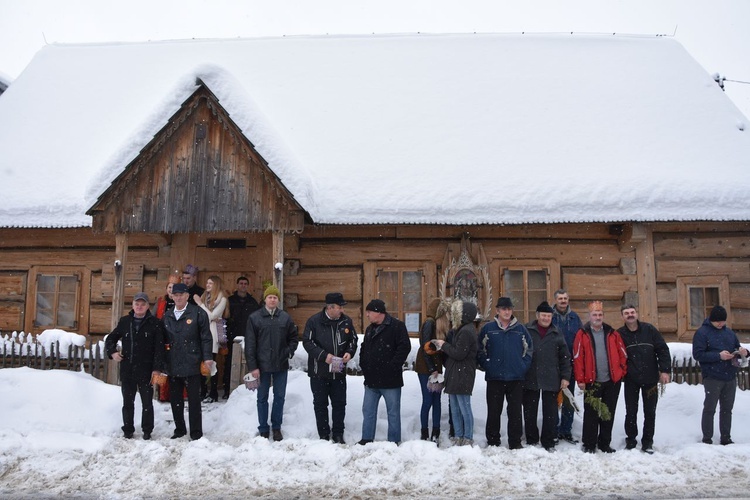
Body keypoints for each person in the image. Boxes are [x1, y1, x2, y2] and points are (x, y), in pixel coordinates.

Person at [105, 292, 164, 440]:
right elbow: (111, 338)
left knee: (147, 402)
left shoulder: (155, 323)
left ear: (147, 306)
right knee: (127, 402)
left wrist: (157, 369)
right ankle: (128, 429)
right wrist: (112, 352)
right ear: (132, 305)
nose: (139, 307)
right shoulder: (125, 321)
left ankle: (147, 430)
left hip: (147, 369)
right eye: (137, 304)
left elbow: (159, 348)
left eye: (142, 304)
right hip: (128, 369)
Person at [302, 292, 358, 444]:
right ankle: (324, 435)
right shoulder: (314, 321)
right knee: (320, 404)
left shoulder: (346, 321)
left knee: (339, 404)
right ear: (330, 307)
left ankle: (338, 434)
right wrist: (323, 356)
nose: (342, 310)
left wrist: (349, 352)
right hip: (319, 372)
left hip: (338, 371)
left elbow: (353, 340)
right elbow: (307, 342)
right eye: (340, 307)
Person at [477, 296, 533, 449]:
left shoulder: (520, 329)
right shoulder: (488, 329)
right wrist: (487, 365)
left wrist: (522, 367)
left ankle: (515, 442)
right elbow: (480, 350)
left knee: (515, 412)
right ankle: (493, 441)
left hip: (516, 378)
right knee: (494, 411)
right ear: (498, 311)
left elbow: (529, 351)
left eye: (509, 309)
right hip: (495, 378)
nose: (507, 312)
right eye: (503, 309)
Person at [244, 285, 299, 441]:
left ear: (278, 300)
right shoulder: (255, 318)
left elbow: (293, 338)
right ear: (265, 299)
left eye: (275, 297)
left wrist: (289, 351)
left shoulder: (285, 318)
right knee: (262, 397)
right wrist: (253, 366)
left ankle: (276, 427)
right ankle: (263, 428)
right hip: (262, 366)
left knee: (279, 397)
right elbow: (250, 344)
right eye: (270, 297)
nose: (273, 300)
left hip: (280, 364)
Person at [572, 301, 627, 453]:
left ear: (603, 316)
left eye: (600, 314)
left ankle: (604, 443)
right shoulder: (582, 334)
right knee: (591, 414)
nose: (597, 317)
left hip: (612, 381)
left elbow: (623, 354)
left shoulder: (612, 333)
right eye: (595, 314)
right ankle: (589, 444)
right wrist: (580, 379)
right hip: (592, 381)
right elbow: (577, 358)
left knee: (608, 413)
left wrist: (621, 372)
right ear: (589, 316)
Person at [162, 283, 214, 440]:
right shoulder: (167, 315)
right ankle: (179, 429)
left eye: (181, 295)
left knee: (194, 399)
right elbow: (163, 340)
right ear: (172, 296)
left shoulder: (198, 313)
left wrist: (207, 357)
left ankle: (196, 432)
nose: (178, 297)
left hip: (192, 360)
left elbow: (206, 337)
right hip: (173, 361)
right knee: (175, 398)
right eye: (175, 295)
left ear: (187, 296)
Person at [617, 304, 671, 454]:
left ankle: (647, 442)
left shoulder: (649, 330)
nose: (630, 315)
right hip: (631, 379)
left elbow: (662, 349)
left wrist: (665, 370)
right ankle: (631, 441)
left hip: (650, 379)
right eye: (626, 313)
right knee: (631, 411)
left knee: (650, 411)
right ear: (622, 317)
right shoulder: (620, 334)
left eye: (632, 312)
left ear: (637, 314)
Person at [692, 305, 748, 446]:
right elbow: (698, 354)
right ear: (711, 319)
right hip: (712, 376)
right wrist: (718, 356)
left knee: (727, 409)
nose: (720, 324)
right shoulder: (702, 333)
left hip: (730, 375)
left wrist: (743, 351)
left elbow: (736, 347)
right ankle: (707, 439)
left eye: (722, 321)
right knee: (710, 408)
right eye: (718, 321)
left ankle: (726, 438)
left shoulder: (729, 333)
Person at [357, 299, 411, 445]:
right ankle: (366, 439)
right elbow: (364, 348)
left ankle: (393, 441)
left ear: (378, 312)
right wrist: (364, 365)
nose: (367, 315)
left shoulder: (397, 326)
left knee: (393, 413)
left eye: (369, 312)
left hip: (390, 380)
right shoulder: (370, 329)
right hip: (371, 380)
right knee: (368, 411)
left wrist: (392, 366)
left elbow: (404, 347)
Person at [522, 301, 571, 451]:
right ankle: (531, 439)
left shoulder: (557, 333)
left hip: (551, 377)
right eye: (543, 315)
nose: (546, 318)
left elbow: (565, 357)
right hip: (531, 376)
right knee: (530, 411)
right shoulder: (527, 330)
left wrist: (565, 377)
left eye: (548, 316)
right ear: (537, 316)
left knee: (550, 412)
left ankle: (548, 441)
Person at [433, 300, 478, 446]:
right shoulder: (462, 329)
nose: (452, 316)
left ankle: (467, 437)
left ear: (462, 315)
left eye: (455, 313)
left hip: (462, 374)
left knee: (464, 408)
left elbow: (459, 353)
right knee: (455, 407)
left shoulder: (466, 331)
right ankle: (459, 435)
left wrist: (443, 345)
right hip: (455, 373)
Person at [414, 297, 450, 442]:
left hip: (436, 368)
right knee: (428, 400)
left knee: (437, 401)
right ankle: (424, 431)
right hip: (426, 368)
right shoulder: (429, 323)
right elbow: (426, 348)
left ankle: (436, 431)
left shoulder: (437, 325)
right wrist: (432, 369)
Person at [551, 288, 583, 444]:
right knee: (553, 400)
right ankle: (553, 430)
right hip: (553, 364)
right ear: (555, 300)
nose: (563, 301)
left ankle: (566, 430)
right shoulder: (549, 316)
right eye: (560, 299)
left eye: (565, 298)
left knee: (568, 399)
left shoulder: (574, 318)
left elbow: (581, 340)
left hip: (570, 365)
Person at [224, 276, 260, 398]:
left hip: (248, 335)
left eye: (245, 283)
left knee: (248, 362)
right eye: (241, 283)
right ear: (237, 285)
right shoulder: (230, 300)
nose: (243, 285)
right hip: (232, 335)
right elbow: (225, 317)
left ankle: (246, 388)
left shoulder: (252, 302)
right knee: (229, 362)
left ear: (248, 286)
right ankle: (226, 389)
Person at [194, 275, 228, 403]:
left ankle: (213, 392)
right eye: (207, 283)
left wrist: (200, 304)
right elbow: (202, 316)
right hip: (201, 332)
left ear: (216, 285)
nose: (207, 285)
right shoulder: (205, 297)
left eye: (210, 283)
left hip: (213, 333)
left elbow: (212, 315)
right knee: (201, 364)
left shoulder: (222, 299)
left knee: (211, 363)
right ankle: (202, 391)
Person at [155, 275, 179, 402]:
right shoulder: (161, 302)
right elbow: (154, 318)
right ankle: (162, 394)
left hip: (176, 338)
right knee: (162, 367)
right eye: (169, 287)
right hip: (162, 337)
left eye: (174, 287)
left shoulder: (180, 303)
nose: (171, 290)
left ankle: (177, 394)